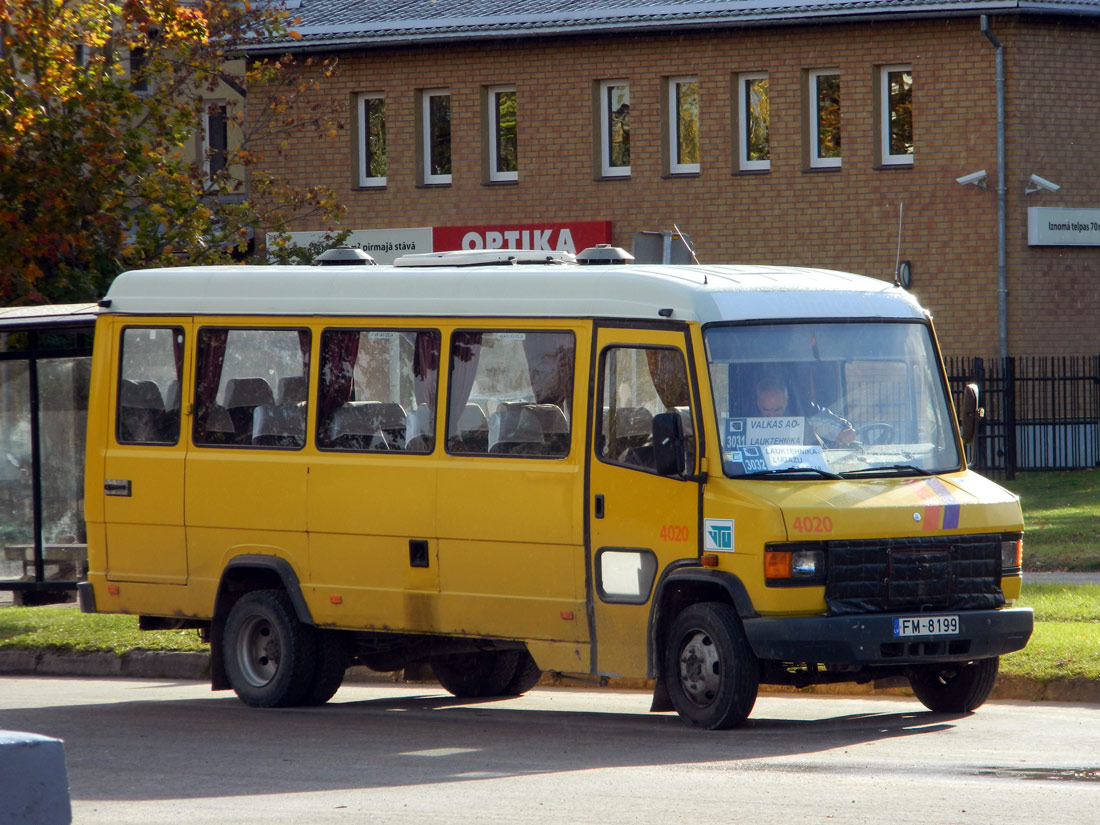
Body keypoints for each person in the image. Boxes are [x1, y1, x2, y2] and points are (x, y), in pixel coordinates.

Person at [753, 377, 857, 447]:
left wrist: (845, 431)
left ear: (785, 402)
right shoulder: (743, 418)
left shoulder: (802, 411)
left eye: (777, 410)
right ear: (758, 404)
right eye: (766, 411)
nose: (772, 417)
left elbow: (828, 422)